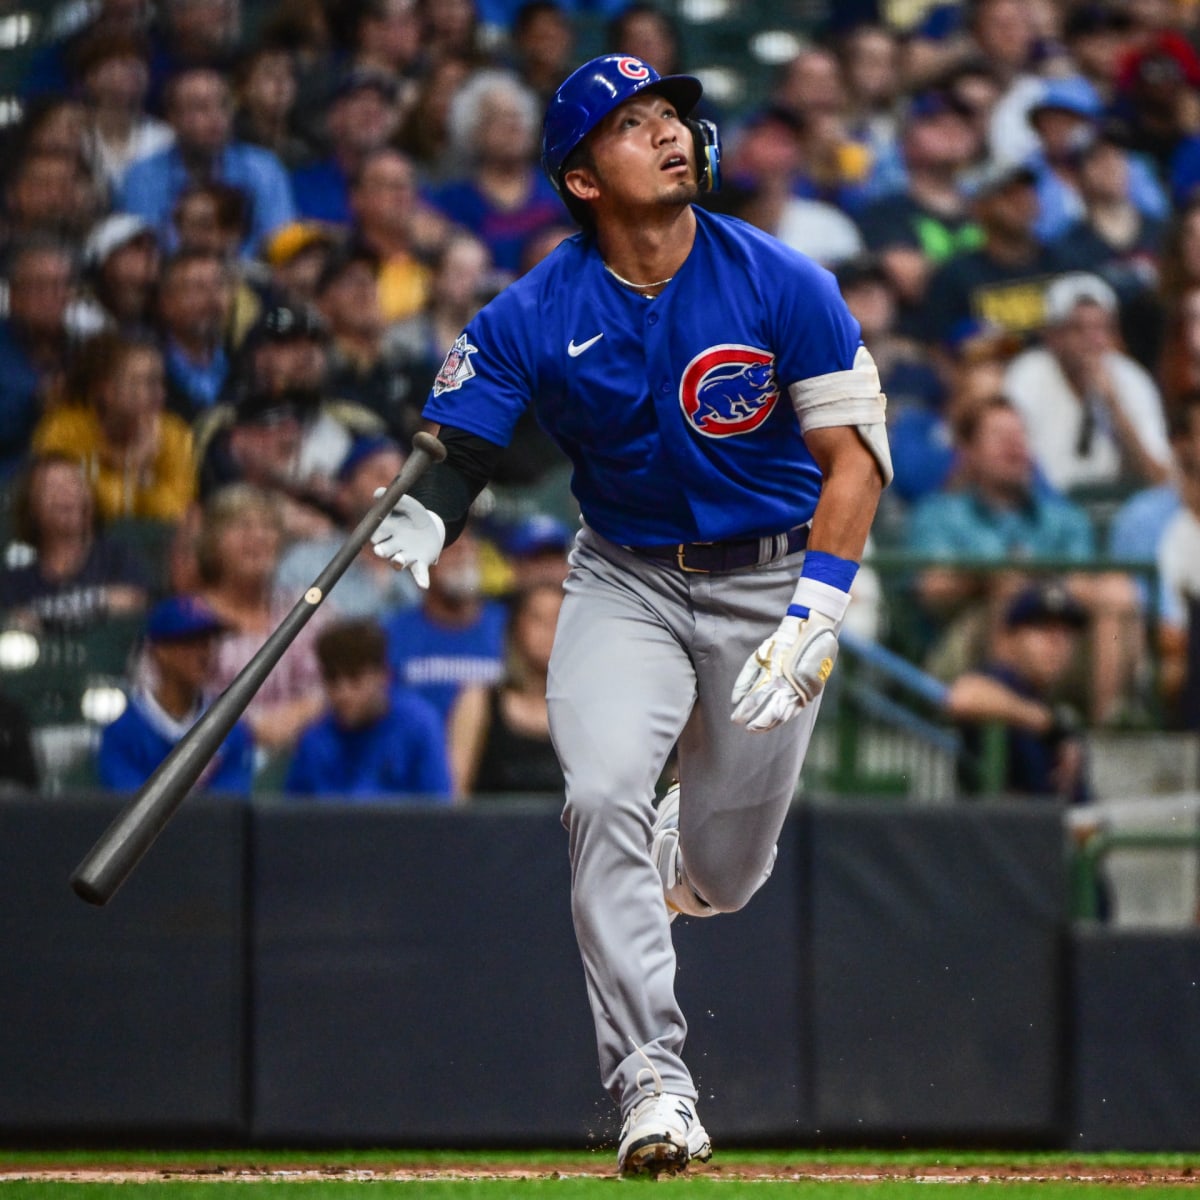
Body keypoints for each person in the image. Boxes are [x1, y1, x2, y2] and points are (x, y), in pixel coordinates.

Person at [368, 55, 888, 1175]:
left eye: (673, 116)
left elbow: (853, 462)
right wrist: (429, 511)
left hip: (773, 578)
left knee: (727, 878)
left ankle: (676, 851)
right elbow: (463, 448)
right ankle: (653, 1085)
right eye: (634, 122)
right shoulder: (532, 309)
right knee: (600, 793)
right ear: (582, 179)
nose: (669, 133)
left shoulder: (785, 280)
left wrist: (817, 611)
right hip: (626, 578)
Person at [1002, 271, 1171, 496]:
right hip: (1046, 503)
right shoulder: (1027, 375)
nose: (1093, 340)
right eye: (1077, 328)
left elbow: (1159, 478)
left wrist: (1114, 407)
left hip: (1121, 502)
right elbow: (1010, 467)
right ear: (1052, 335)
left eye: (1101, 328)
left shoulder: (1131, 378)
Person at [945, 578, 1091, 804]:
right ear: (1010, 638)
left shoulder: (1052, 705)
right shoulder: (1002, 681)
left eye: (1065, 633)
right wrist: (1044, 722)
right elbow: (962, 697)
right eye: (1043, 629)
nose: (1056, 642)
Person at [96, 594, 254, 794]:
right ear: (159, 651)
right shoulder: (122, 733)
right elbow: (131, 805)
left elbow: (228, 805)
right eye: (190, 642)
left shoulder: (230, 729)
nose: (204, 653)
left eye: (207, 642)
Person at [32, 332, 196, 524]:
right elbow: (97, 511)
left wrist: (141, 480)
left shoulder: (174, 434)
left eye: (159, 382)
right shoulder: (64, 431)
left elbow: (176, 511)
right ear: (106, 390)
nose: (159, 394)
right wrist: (131, 466)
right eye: (143, 382)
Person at [283, 617, 452, 802]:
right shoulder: (314, 741)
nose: (343, 692)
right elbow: (294, 814)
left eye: (355, 678)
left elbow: (439, 809)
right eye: (332, 678)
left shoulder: (419, 727)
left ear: (383, 676)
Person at [449, 580, 565, 799]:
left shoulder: (587, 711)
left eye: (558, 619)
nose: (549, 630)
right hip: (490, 822)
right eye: (537, 619)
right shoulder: (479, 702)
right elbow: (456, 794)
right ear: (516, 627)